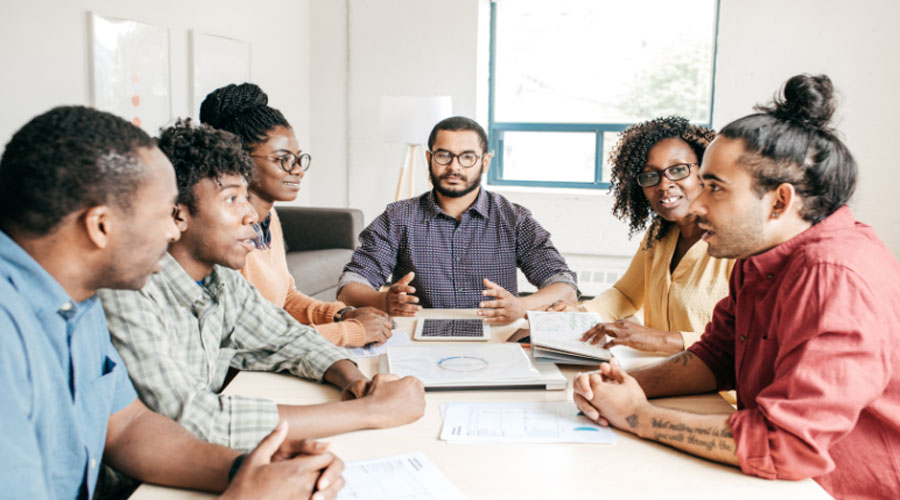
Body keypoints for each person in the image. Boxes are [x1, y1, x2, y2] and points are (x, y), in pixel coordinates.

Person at [572, 74, 900, 499]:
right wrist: (618, 384)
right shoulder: (755, 257)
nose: (698, 203)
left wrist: (640, 416)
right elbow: (716, 358)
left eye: (714, 188)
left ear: (780, 201)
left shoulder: (833, 276)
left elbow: (787, 444)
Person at [0, 105, 344, 499]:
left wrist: (243, 468)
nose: (172, 229)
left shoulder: (80, 297)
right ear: (101, 226)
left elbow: (127, 426)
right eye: (164, 214)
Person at [100, 119, 425, 453]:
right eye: (231, 199)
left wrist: (355, 381)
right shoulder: (129, 291)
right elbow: (193, 419)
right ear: (178, 214)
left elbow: (285, 338)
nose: (250, 216)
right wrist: (368, 411)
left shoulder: (220, 277)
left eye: (246, 198)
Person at [200, 83, 392, 347]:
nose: (298, 170)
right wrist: (350, 332)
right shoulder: (225, 235)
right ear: (240, 159)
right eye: (283, 159)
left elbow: (286, 297)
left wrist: (341, 314)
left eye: (299, 158)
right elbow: (248, 341)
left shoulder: (269, 218)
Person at [337, 116, 577, 324]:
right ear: (429, 158)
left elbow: (564, 286)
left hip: (497, 335)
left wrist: (520, 307)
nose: (454, 167)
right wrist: (381, 300)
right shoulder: (398, 218)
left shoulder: (513, 219)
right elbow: (350, 285)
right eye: (444, 156)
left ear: (484, 162)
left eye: (467, 157)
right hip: (416, 337)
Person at [547, 117, 734, 354]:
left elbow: (745, 335)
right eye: (650, 176)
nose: (664, 185)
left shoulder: (735, 242)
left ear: (705, 171)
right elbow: (625, 294)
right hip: (663, 368)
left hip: (719, 385)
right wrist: (582, 312)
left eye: (678, 170)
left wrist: (663, 339)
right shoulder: (659, 233)